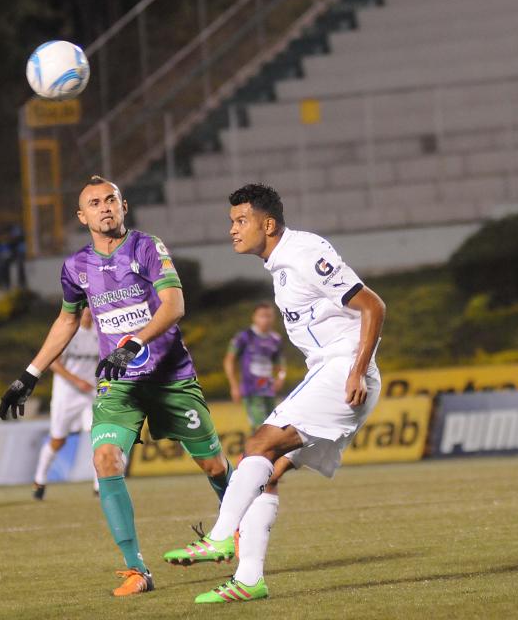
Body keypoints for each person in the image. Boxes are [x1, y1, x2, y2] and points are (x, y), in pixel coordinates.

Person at [0, 175, 233, 597]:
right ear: (81, 216)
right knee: (105, 459)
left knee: (214, 466)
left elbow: (175, 305)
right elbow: (67, 320)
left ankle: (238, 531)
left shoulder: (147, 247)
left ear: (124, 207)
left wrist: (134, 342)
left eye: (111, 200)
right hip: (119, 385)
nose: (105, 207)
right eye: (95, 203)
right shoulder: (76, 267)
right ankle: (136, 570)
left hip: (170, 377)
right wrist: (30, 374)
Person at [163, 183, 386, 603]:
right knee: (267, 473)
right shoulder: (280, 264)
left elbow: (374, 306)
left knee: (258, 445)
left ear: (267, 225)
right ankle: (249, 579)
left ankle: (220, 536)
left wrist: (356, 371)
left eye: (240, 220)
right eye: (231, 221)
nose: (232, 229)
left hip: (344, 369)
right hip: (332, 371)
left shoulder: (304, 252)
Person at [32, 307, 99, 500]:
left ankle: (99, 486)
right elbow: (53, 362)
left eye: (91, 306)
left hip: (90, 394)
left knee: (100, 437)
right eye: (85, 307)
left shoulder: (99, 331)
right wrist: (76, 380)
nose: (88, 311)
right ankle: (40, 479)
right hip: (66, 394)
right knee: (58, 440)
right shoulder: (70, 331)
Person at [224, 302, 286, 430]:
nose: (266, 320)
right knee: (260, 428)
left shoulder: (275, 339)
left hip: (269, 389)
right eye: (262, 316)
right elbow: (229, 360)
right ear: (254, 317)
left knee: (273, 427)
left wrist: (280, 378)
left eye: (269, 316)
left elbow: (280, 364)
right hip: (251, 390)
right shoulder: (244, 337)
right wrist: (234, 386)